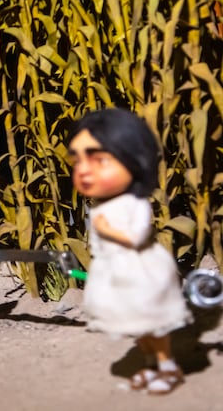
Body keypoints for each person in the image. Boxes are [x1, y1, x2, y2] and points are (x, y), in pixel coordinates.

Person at [67, 108, 193, 395]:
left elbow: (136, 237)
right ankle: (150, 364)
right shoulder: (101, 205)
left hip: (140, 270)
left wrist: (106, 228)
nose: (84, 169)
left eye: (99, 159)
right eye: (78, 160)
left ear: (134, 159)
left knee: (152, 323)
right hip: (116, 271)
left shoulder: (134, 204)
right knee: (136, 325)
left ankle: (167, 366)